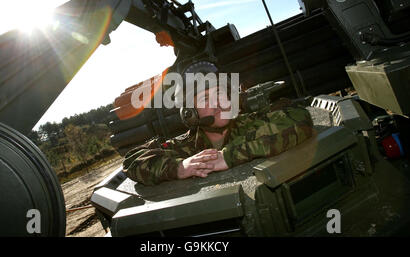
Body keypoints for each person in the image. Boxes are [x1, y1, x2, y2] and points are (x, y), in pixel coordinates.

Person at [123, 62, 314, 186]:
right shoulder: (186, 147)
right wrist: (178, 168)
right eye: (206, 98)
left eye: (221, 93)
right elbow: (132, 160)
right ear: (190, 113)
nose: (218, 102)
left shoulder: (253, 122)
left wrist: (228, 156)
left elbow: (300, 118)